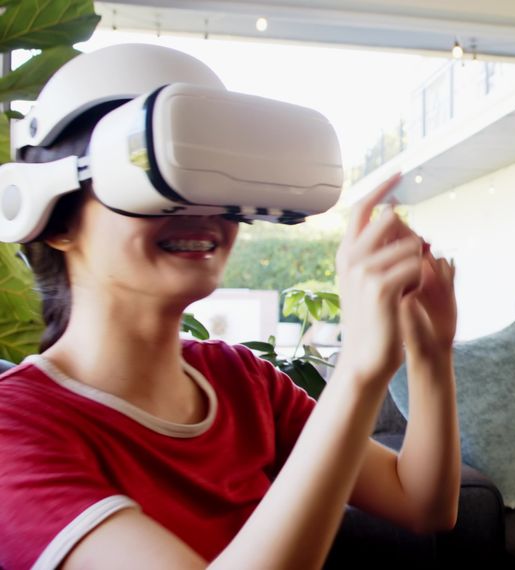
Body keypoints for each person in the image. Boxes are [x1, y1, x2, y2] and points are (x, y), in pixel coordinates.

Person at [0, 45, 460, 569]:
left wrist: (430, 350)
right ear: (56, 217)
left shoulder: (243, 382)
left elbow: (423, 504)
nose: (205, 211)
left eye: (215, 181)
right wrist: (357, 369)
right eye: (159, 177)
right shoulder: (14, 430)